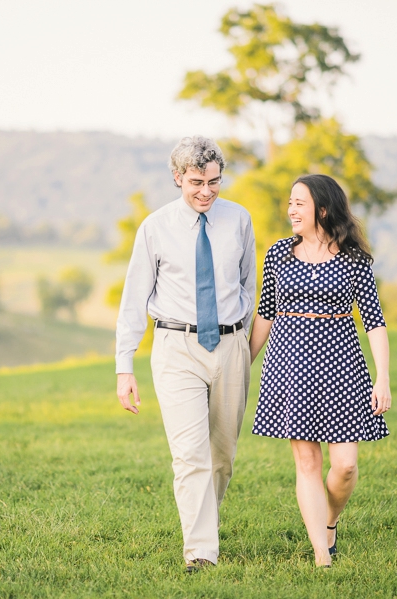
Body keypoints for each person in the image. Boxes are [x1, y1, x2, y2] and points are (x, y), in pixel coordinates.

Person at [115, 136, 256, 573]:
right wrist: (124, 366)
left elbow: (249, 284)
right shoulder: (154, 228)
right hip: (176, 347)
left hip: (231, 346)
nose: (207, 192)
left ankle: (204, 523)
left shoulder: (239, 220)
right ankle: (201, 552)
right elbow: (134, 298)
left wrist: (242, 341)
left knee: (222, 455)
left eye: (215, 182)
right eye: (197, 182)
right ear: (177, 178)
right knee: (190, 454)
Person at [248, 173, 391, 568]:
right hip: (289, 365)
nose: (290, 210)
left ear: (322, 210)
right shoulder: (278, 253)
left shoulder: (354, 260)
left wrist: (383, 376)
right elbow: (265, 313)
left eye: (299, 203)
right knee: (307, 464)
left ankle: (329, 522)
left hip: (342, 365)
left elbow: (374, 321)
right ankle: (321, 556)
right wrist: (243, 363)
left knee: (345, 466)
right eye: (290, 202)